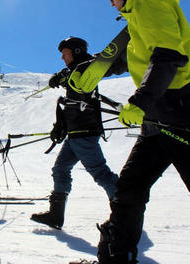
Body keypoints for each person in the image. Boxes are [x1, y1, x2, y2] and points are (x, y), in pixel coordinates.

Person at [89, 1, 190, 263]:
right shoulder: (135, 17)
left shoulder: (150, 3)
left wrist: (140, 101)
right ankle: (116, 257)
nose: (111, 3)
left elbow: (168, 55)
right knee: (130, 188)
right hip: (158, 117)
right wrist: (93, 68)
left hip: (180, 111)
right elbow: (131, 59)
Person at [30, 37, 119, 230]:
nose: (62, 57)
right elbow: (71, 85)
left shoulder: (88, 69)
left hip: (85, 131)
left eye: (65, 53)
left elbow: (81, 87)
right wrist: (61, 76)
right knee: (60, 169)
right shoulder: (77, 69)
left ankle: (125, 210)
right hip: (76, 132)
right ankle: (56, 215)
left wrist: (64, 77)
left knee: (100, 173)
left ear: (77, 52)